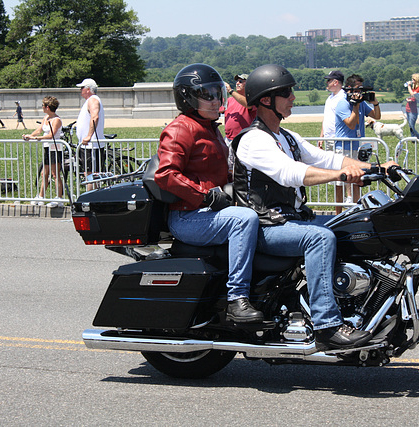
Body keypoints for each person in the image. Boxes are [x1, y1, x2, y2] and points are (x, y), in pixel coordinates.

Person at [232, 64, 395, 348]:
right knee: (319, 238)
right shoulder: (253, 140)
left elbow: (326, 159)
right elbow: (290, 173)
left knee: (360, 224)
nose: (293, 98)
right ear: (266, 100)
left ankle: (361, 305)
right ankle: (327, 326)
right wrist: (341, 176)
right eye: (286, 93)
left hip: (291, 220)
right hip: (268, 226)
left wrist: (377, 168)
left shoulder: (287, 137)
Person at [154, 63, 263, 323]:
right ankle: (237, 298)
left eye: (217, 93)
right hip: (188, 215)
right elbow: (166, 174)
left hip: (208, 212)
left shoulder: (210, 128)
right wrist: (205, 194)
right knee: (243, 220)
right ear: (188, 97)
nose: (215, 100)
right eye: (207, 94)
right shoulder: (182, 128)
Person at [333, 74, 381, 213]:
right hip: (343, 147)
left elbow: (376, 116)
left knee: (357, 179)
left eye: (361, 90)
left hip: (357, 147)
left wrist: (375, 103)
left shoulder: (361, 103)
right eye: (357, 90)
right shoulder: (343, 103)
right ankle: (338, 213)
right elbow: (351, 124)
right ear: (349, 90)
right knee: (340, 182)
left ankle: (356, 210)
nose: (359, 93)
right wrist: (355, 106)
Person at [23, 96, 64, 208]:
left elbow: (51, 135)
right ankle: (41, 197)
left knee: (55, 174)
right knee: (44, 173)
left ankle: (59, 198)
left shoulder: (56, 120)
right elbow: (39, 130)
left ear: (47, 107)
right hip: (47, 148)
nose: (42, 107)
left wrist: (38, 138)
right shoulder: (46, 117)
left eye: (43, 105)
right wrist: (30, 136)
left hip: (55, 148)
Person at [76, 78, 105, 191]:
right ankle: (91, 199)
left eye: (82, 88)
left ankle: (90, 201)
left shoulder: (93, 100)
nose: (80, 90)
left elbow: (95, 116)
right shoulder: (91, 100)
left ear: (88, 89)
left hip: (91, 145)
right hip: (88, 145)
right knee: (89, 174)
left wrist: (88, 136)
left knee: (91, 175)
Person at [320, 70, 346, 141]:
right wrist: (321, 136)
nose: (327, 82)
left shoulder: (343, 98)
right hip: (328, 138)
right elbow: (326, 119)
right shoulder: (329, 98)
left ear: (335, 82)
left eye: (329, 80)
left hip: (338, 138)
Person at [405, 73, 419, 139]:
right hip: (408, 108)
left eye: (413, 79)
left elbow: (413, 95)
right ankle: (413, 138)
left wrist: (408, 86)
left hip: (413, 110)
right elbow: (413, 97)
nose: (412, 81)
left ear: (417, 80)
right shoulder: (414, 87)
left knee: (412, 125)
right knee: (410, 126)